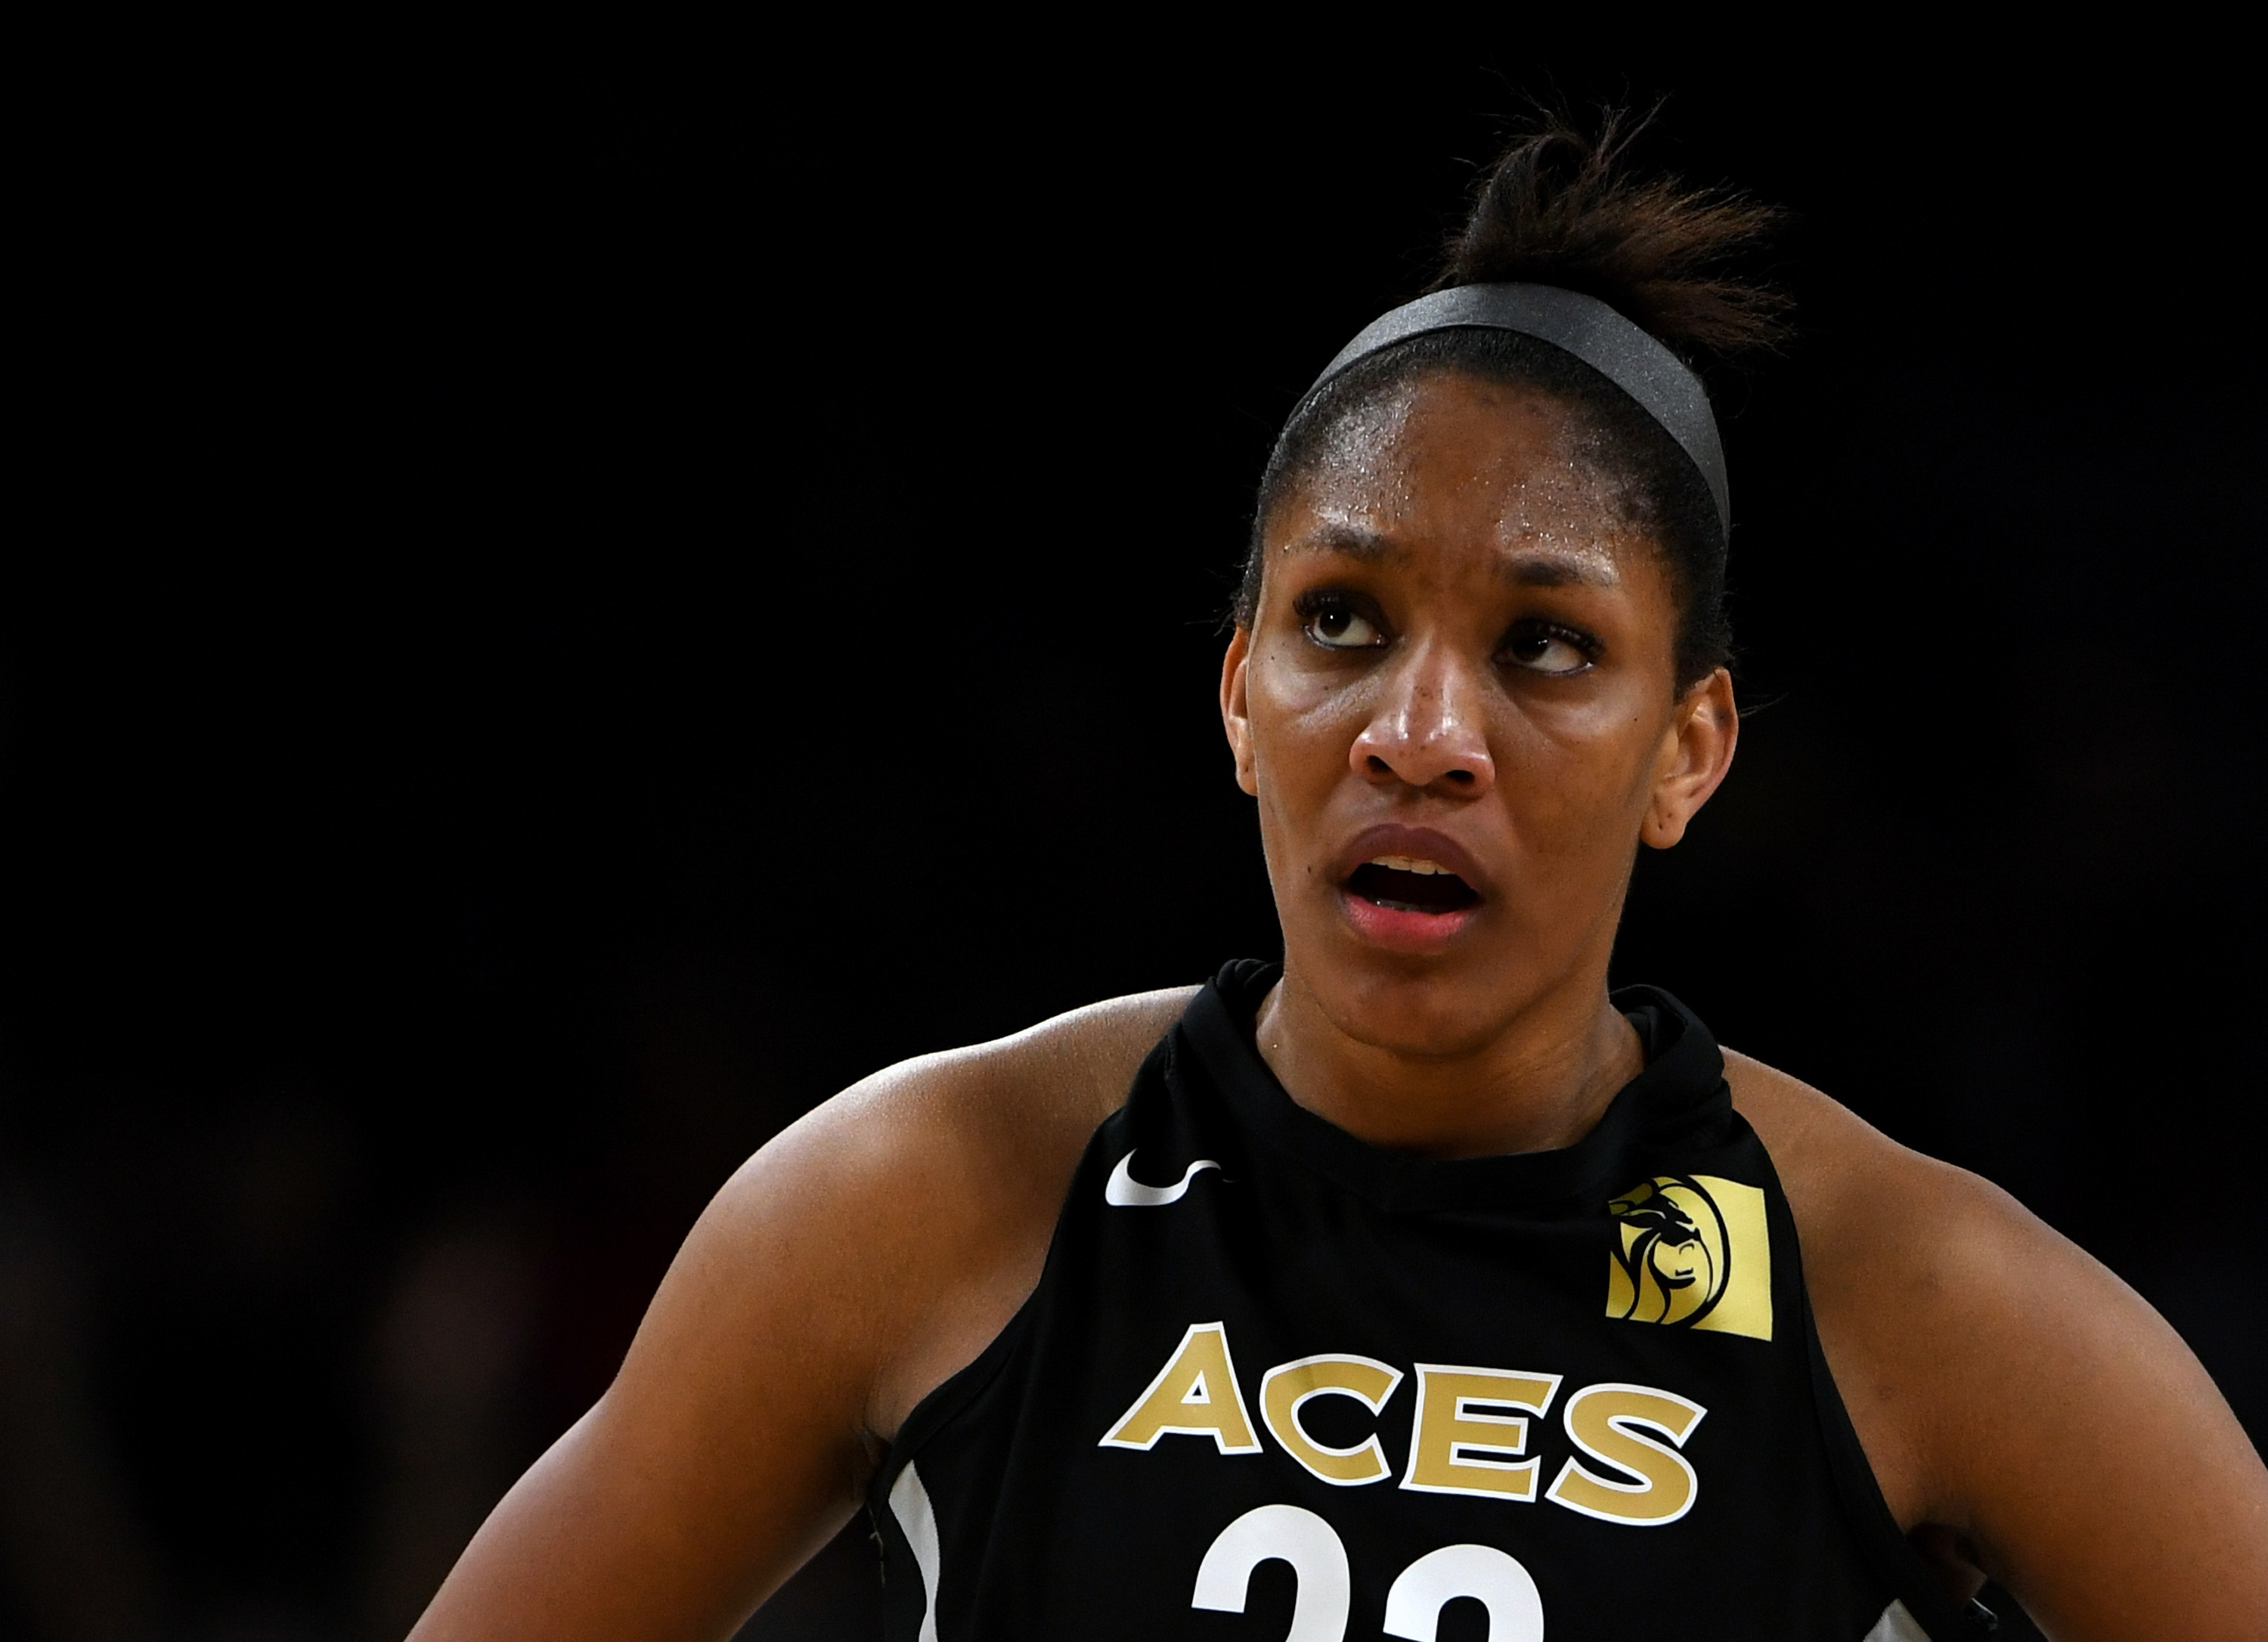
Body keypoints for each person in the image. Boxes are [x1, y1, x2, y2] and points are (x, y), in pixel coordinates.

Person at [408, 115, 2268, 1641]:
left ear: (1688, 748)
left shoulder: (1916, 1294)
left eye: (1545, 645)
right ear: (1241, 692)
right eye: (1343, 622)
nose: (1422, 727)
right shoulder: (926, 1197)